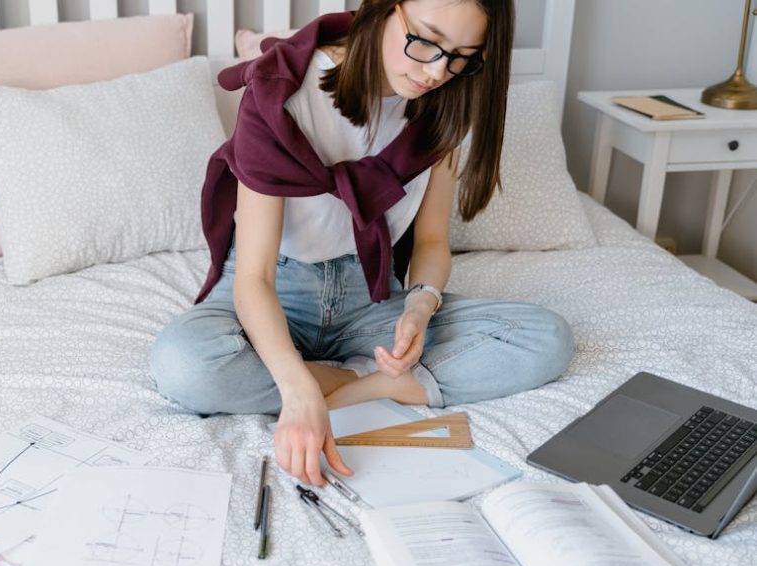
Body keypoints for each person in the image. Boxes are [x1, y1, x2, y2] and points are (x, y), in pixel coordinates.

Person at [150, 0, 575, 488]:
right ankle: (354, 385)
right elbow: (254, 277)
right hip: (273, 289)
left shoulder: (445, 101)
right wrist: (296, 388)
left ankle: (345, 383)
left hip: (368, 293)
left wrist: (420, 306)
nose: (437, 71)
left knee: (546, 339)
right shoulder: (283, 92)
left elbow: (433, 240)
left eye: (461, 56)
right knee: (184, 365)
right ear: (382, 9)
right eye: (426, 41)